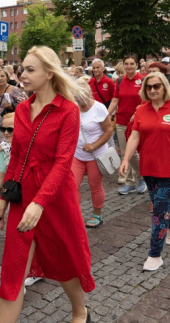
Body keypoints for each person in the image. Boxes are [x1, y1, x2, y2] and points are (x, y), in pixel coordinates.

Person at [0, 46, 94, 323]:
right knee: (13, 269)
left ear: (49, 74)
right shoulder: (23, 109)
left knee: (64, 259)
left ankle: (80, 311)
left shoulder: (68, 110)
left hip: (56, 198)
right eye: (21, 69)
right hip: (23, 195)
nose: (21, 75)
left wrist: (40, 203)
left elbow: (63, 163)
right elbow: (17, 157)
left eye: (29, 69)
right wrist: (4, 196)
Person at [118, 72, 170, 271]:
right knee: (160, 205)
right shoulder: (141, 110)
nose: (153, 90)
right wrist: (126, 159)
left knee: (158, 210)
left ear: (164, 87)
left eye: (156, 86)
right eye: (149, 87)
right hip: (149, 167)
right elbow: (134, 137)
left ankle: (155, 254)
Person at [73, 78, 113, 228]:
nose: (79, 101)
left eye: (81, 97)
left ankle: (97, 214)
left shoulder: (99, 108)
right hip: (77, 155)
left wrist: (95, 145)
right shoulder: (73, 107)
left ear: (88, 93)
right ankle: (75, 214)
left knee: (95, 186)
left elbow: (108, 130)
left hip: (96, 155)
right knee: (72, 186)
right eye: (76, 97)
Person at [106, 55, 147, 193]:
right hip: (122, 121)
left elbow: (146, 101)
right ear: (123, 65)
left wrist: (137, 113)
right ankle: (130, 182)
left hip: (138, 122)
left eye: (132, 64)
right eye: (126, 64)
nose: (129, 66)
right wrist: (107, 115)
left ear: (137, 65)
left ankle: (142, 178)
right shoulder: (119, 81)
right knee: (125, 153)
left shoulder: (142, 80)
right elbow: (115, 100)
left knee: (134, 153)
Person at [0, 68, 26, 146]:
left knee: (10, 148)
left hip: (11, 126)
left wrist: (11, 107)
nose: (0, 78)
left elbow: (24, 106)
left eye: (2, 76)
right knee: (2, 148)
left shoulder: (14, 89)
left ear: (7, 77)